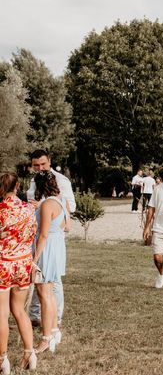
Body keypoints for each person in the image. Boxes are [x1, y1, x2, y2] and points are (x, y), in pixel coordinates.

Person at [26, 149, 74, 332]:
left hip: (51, 234)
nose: (39, 168)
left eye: (43, 164)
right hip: (36, 232)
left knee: (52, 281)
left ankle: (56, 319)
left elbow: (70, 206)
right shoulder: (33, 180)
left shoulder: (61, 180)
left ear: (50, 161)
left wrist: (45, 206)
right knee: (40, 278)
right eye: (36, 165)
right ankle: (36, 316)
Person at [0, 173, 38, 371]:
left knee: (2, 313)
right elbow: (32, 234)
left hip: (3, 264)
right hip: (23, 263)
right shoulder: (29, 209)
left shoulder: (0, 211)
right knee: (20, 310)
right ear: (18, 186)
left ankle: (2, 359)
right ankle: (29, 353)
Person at [32, 171, 66, 354]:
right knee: (49, 293)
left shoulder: (47, 204)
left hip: (46, 250)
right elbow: (64, 227)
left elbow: (43, 234)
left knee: (44, 294)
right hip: (56, 248)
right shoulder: (59, 201)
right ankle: (53, 331)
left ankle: (45, 339)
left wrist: (34, 259)